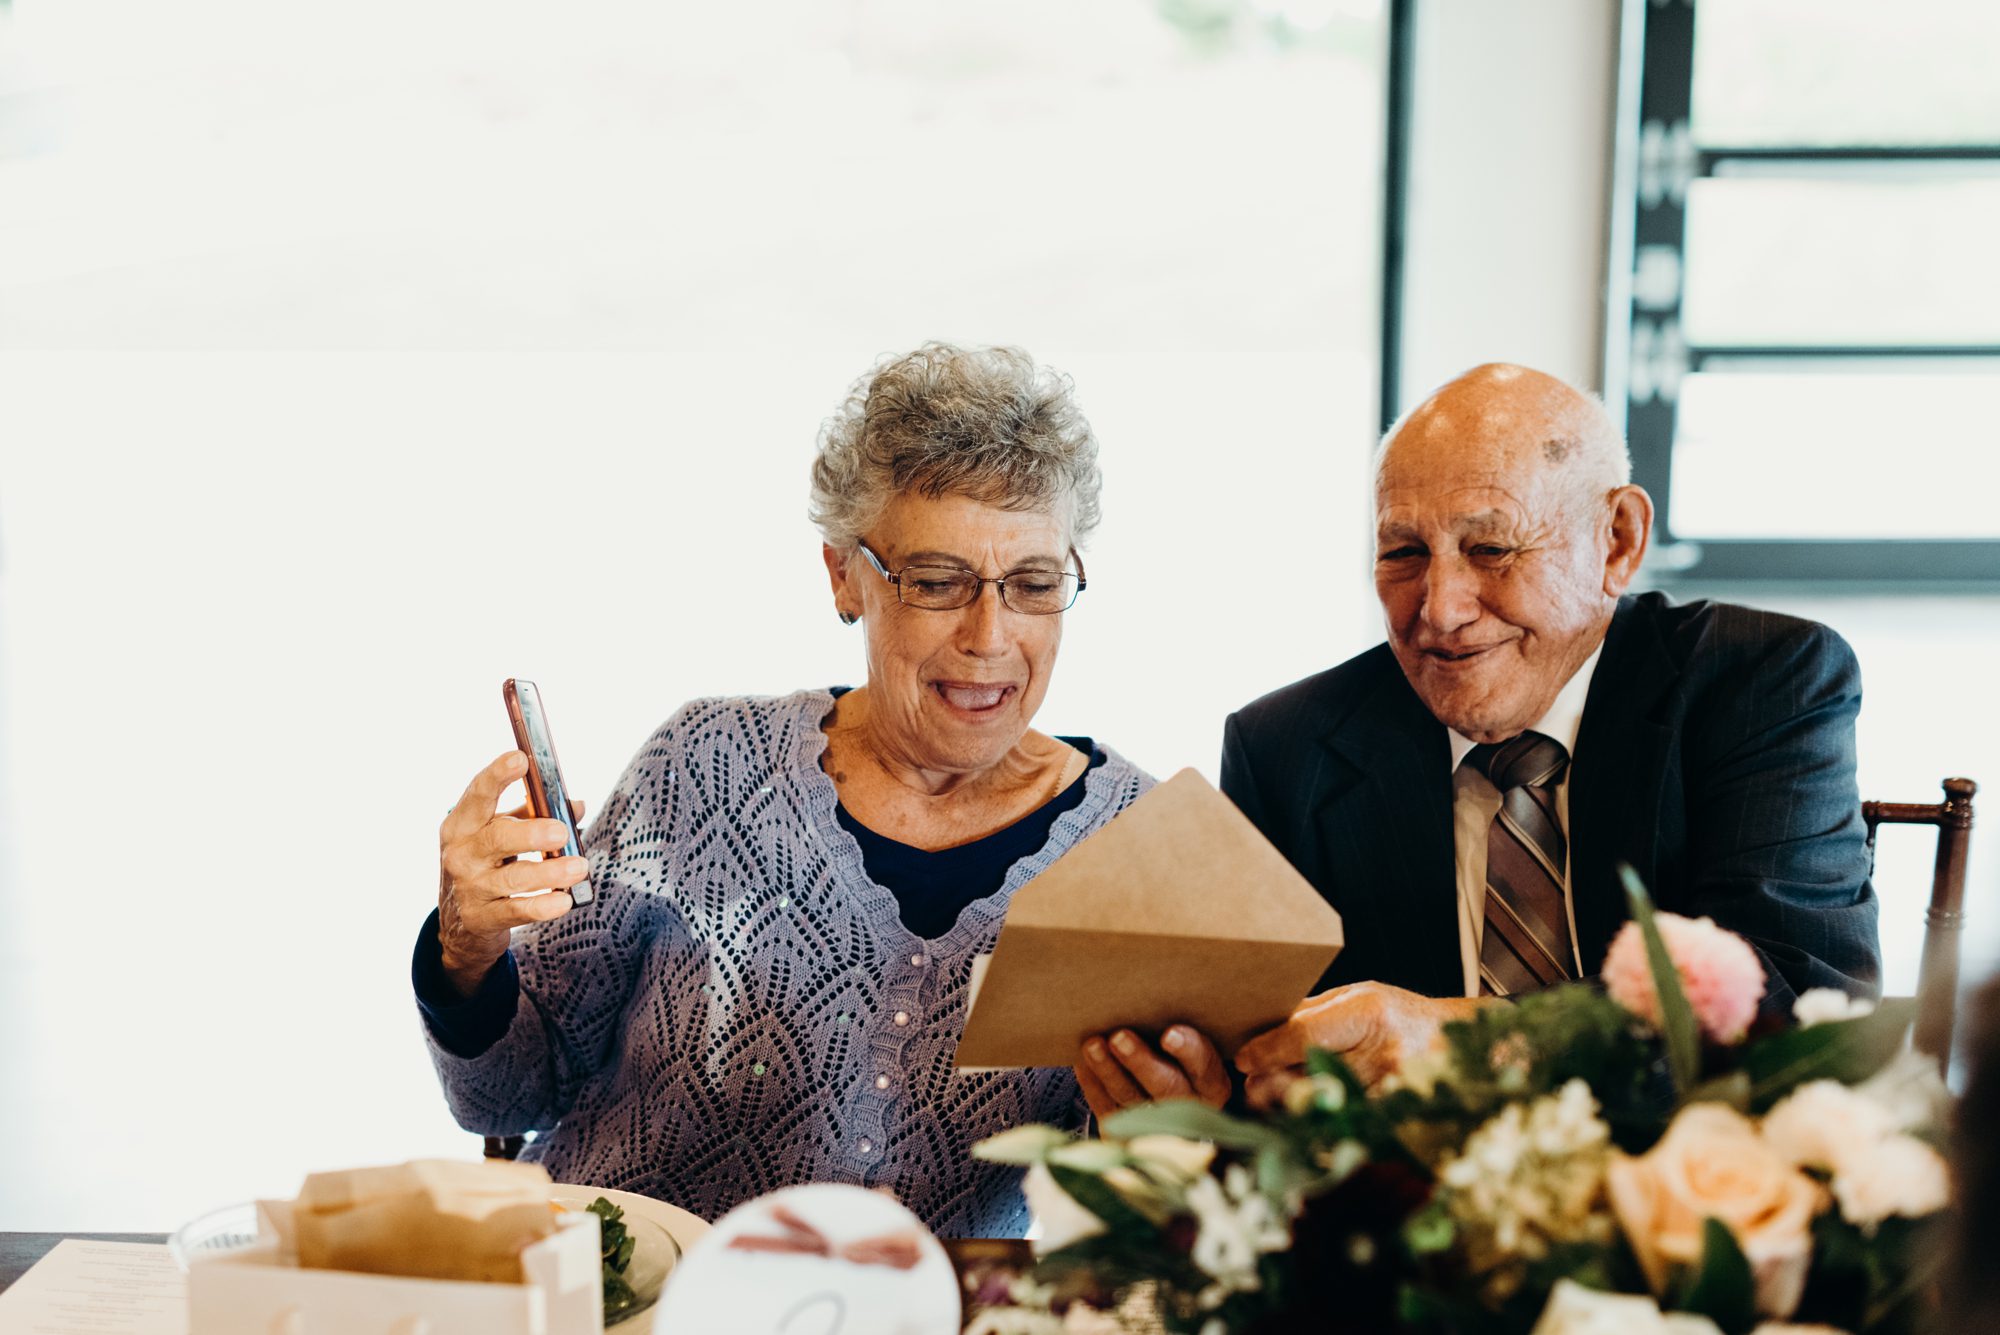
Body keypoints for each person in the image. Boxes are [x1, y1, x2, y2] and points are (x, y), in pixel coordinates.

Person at [413, 343, 1154, 1237]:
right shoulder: (706, 765)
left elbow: (1129, 1218)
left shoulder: (1139, 846)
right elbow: (507, 1094)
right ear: (845, 574)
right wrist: (466, 947)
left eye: (1033, 585)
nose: (990, 635)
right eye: (934, 581)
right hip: (626, 1298)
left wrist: (1152, 1129)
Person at [1222, 363, 1881, 1101]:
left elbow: (1798, 1002)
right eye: (1404, 552)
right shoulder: (1285, 748)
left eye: (1490, 548)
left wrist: (1463, 1043)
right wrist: (1198, 1078)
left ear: (1618, 541)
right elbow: (1262, 1053)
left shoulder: (1761, 683)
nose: (1439, 609)